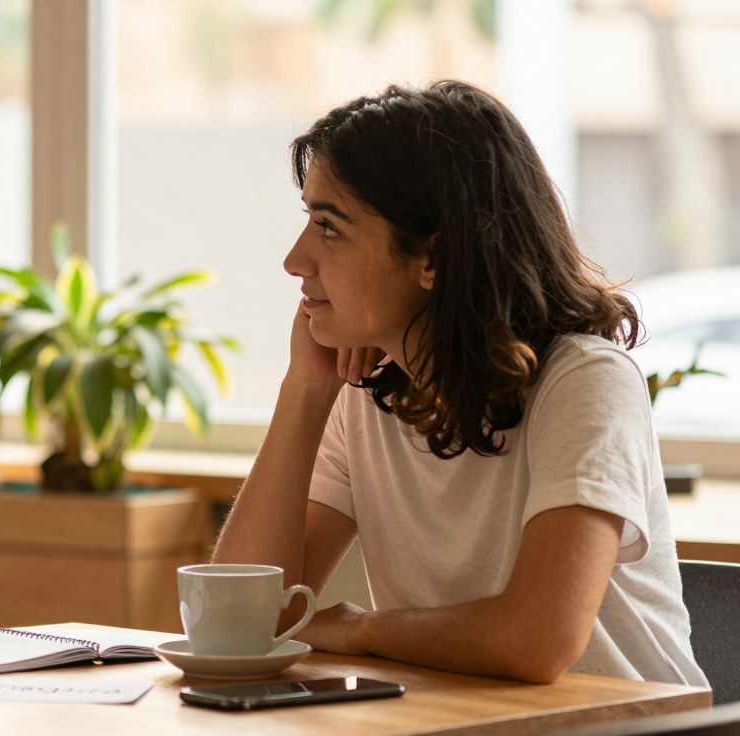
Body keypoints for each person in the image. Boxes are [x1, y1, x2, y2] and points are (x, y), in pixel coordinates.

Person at [213, 81, 707, 687]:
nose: (295, 260)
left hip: (628, 725)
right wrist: (306, 389)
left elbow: (537, 641)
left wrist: (364, 631)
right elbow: (242, 620)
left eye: (329, 227)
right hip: (467, 719)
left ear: (433, 260)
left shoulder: (585, 381)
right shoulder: (365, 399)